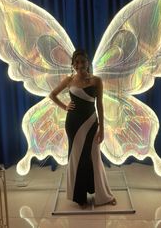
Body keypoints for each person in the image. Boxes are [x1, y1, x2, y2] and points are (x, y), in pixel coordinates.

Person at [49, 49, 116, 207]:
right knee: (76, 158)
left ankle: (102, 195)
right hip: (73, 124)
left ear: (88, 63)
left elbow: (99, 105)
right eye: (76, 62)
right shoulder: (69, 80)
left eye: (82, 61)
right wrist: (65, 106)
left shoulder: (96, 81)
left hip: (92, 123)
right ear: (72, 65)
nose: (80, 65)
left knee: (93, 157)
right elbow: (52, 95)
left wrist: (102, 128)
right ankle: (79, 197)